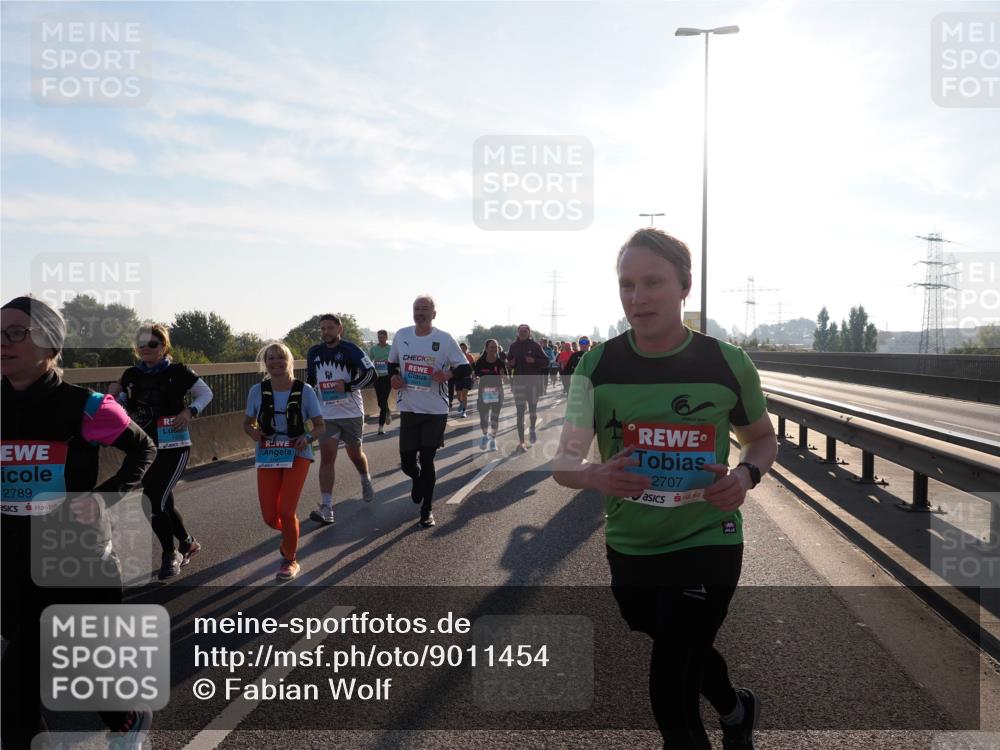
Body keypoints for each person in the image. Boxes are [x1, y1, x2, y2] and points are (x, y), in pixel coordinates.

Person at [551, 228, 778, 750]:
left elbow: (762, 440)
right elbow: (564, 462)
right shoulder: (597, 364)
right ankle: (736, 708)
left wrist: (745, 476)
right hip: (631, 544)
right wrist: (594, 475)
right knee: (680, 644)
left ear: (684, 287)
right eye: (627, 284)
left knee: (671, 682)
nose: (637, 297)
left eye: (652, 282)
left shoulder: (727, 362)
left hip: (709, 538)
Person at [2, 296, 157, 749]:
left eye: (17, 333)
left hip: (74, 560)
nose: (3, 343)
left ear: (50, 344)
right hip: (11, 556)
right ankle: (128, 715)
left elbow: (143, 448)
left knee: (14, 692)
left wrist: (104, 497)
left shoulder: (87, 407)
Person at [108, 324, 213, 580]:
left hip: (174, 445)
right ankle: (187, 543)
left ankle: (170, 554)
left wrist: (190, 411)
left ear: (163, 346)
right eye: (141, 344)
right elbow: (121, 404)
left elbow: (205, 393)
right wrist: (113, 396)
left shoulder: (178, 372)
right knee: (162, 500)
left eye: (152, 344)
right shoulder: (131, 374)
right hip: (144, 447)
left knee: (154, 499)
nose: (146, 348)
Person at [387, 295, 471, 528]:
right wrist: (394, 375)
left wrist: (447, 374)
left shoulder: (444, 339)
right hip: (409, 408)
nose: (420, 312)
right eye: (417, 308)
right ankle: (417, 480)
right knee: (407, 463)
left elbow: (465, 367)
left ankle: (427, 509)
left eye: (425, 309)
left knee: (427, 458)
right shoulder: (402, 335)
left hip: (435, 410)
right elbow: (392, 363)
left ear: (434, 314)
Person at [244, 342, 324, 580]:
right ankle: (290, 536)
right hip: (268, 454)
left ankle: (290, 559)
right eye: (271, 359)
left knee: (287, 511)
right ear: (265, 363)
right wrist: (254, 432)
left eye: (281, 358)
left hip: (297, 454)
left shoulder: (305, 391)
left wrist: (307, 437)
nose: (276, 362)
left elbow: (320, 426)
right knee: (270, 517)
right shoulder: (257, 391)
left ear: (289, 361)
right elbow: (247, 423)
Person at [305, 314, 376, 525]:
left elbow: (371, 373)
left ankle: (365, 478)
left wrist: (348, 386)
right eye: (323, 328)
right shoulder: (314, 353)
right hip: (326, 415)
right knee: (327, 457)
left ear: (339, 329)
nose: (326, 332)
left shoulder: (350, 349)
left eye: (330, 328)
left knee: (355, 454)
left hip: (351, 412)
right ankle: (327, 507)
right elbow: (310, 382)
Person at [506, 323, 548, 452]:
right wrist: (510, 364)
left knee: (532, 411)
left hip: (533, 383)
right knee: (519, 413)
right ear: (517, 332)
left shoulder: (535, 346)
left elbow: (546, 362)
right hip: (519, 383)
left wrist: (534, 361)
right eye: (521, 331)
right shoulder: (513, 346)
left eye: (525, 331)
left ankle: (532, 428)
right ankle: (521, 442)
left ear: (529, 332)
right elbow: (509, 363)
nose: (523, 333)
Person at [473, 338, 508, 451]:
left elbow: (506, 380)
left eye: (495, 347)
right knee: (484, 418)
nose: (494, 349)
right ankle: (484, 436)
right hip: (484, 393)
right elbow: (475, 375)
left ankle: (493, 439)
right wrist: (476, 378)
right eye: (491, 347)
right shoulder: (480, 362)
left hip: (497, 393)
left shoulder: (500, 363)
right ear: (486, 349)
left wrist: (504, 377)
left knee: (494, 417)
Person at [370, 329, 393, 435]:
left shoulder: (391, 349)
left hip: (387, 377)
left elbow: (395, 361)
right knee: (380, 401)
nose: (381, 339)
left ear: (386, 338)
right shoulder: (373, 349)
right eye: (379, 337)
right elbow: (369, 362)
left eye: (383, 337)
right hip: (377, 378)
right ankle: (387, 410)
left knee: (383, 400)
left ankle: (380, 427)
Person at [454, 342, 476, 418]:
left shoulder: (469, 356)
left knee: (464, 394)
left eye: (463, 348)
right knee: (458, 395)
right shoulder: (456, 356)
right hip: (458, 378)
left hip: (467, 377)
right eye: (461, 348)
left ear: (466, 349)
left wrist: (475, 375)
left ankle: (464, 411)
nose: (462, 349)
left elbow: (474, 367)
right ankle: (461, 403)